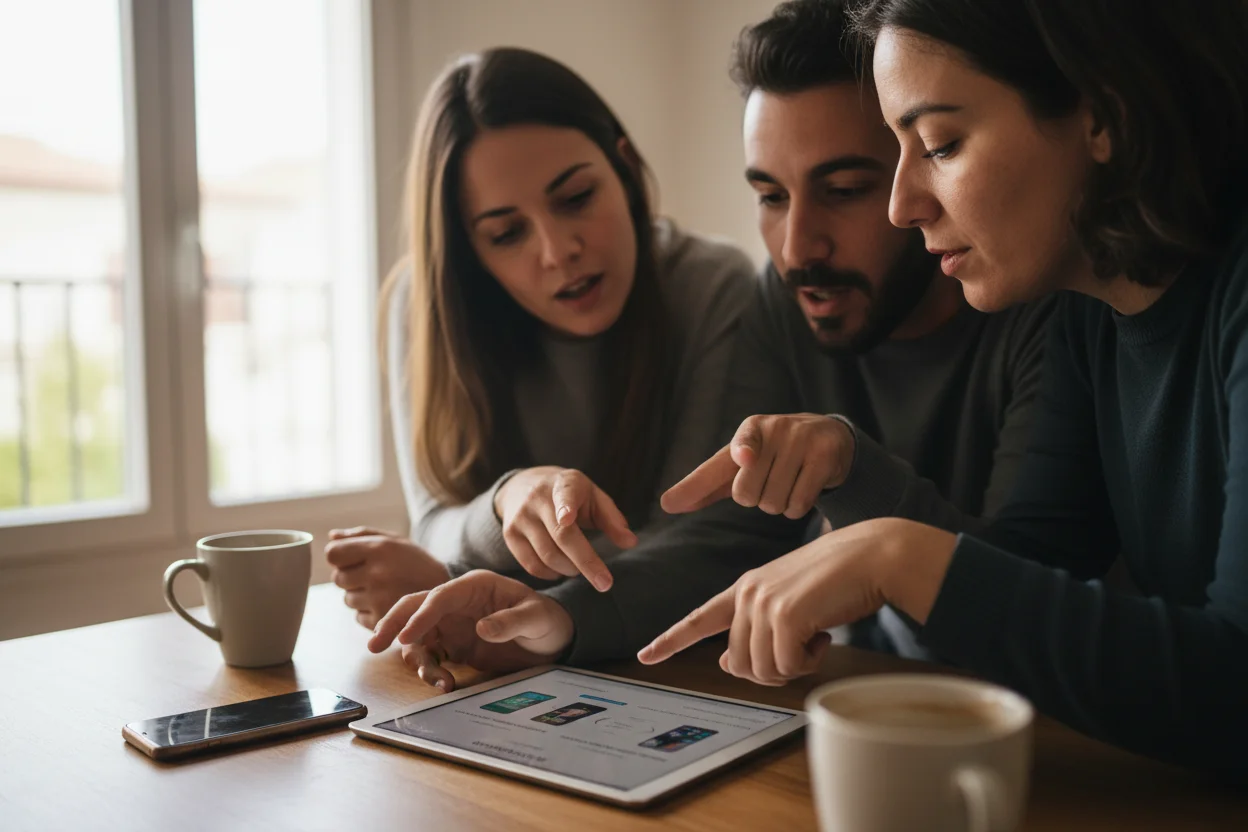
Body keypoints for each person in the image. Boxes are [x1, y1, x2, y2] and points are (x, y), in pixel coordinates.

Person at [639, 0, 1248, 778]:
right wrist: (853, 475)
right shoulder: (1085, 306)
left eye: (940, 144)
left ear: (1104, 115)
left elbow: (1235, 683)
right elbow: (1024, 571)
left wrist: (898, 555)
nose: (904, 204)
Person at [367, 0, 1052, 687]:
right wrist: (556, 621)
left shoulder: (1038, 311)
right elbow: (726, 537)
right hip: (863, 696)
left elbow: (1031, 591)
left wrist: (851, 471)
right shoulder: (783, 302)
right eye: (770, 196)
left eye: (844, 190)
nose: (796, 248)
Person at [325, 48, 756, 633]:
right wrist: (507, 501)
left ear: (625, 170)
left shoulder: (711, 285)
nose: (558, 252)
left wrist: (455, 584)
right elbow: (432, 523)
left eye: (577, 198)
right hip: (521, 660)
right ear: (469, 251)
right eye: (506, 233)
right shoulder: (427, 304)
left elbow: (695, 546)